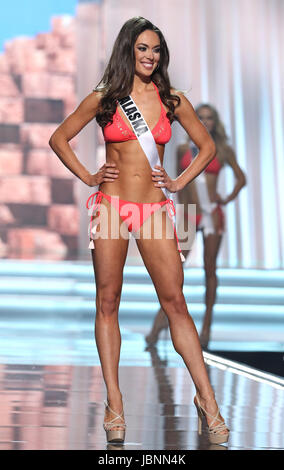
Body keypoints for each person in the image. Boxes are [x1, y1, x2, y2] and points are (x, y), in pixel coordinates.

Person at [49, 16, 229, 445]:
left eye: (156, 50)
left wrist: (181, 182)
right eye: (143, 48)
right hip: (111, 206)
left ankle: (207, 401)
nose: (150, 57)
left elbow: (208, 147)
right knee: (107, 301)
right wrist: (90, 176)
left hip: (154, 209)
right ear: (128, 49)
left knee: (175, 302)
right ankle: (115, 403)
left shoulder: (171, 98)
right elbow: (59, 138)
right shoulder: (105, 97)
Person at [145, 104, 246, 349]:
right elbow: (179, 181)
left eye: (209, 118)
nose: (205, 121)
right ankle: (159, 325)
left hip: (212, 214)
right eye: (201, 117)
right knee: (174, 271)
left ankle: (207, 326)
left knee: (209, 270)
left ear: (215, 122)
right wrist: (181, 210)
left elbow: (241, 178)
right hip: (190, 216)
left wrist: (226, 198)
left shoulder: (222, 150)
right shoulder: (184, 149)